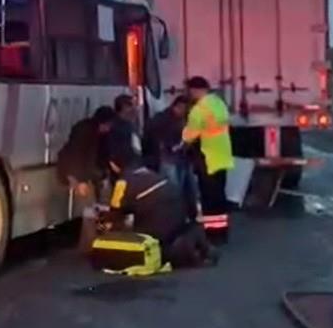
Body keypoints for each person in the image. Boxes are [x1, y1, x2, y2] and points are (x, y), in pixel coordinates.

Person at [105, 144, 216, 268]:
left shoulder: (123, 181)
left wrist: (105, 222)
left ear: (113, 165)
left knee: (144, 237)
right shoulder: (149, 172)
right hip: (178, 216)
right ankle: (197, 244)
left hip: (155, 229)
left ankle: (176, 251)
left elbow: (115, 212)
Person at [181, 76, 235, 245]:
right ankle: (222, 232)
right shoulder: (219, 103)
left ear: (196, 90)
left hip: (207, 158)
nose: (189, 94)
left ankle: (212, 234)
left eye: (190, 90)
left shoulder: (199, 110)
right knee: (219, 197)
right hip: (222, 156)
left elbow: (189, 136)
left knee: (209, 199)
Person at [56, 106, 116, 252]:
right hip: (78, 174)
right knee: (89, 210)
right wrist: (79, 181)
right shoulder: (85, 132)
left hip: (90, 174)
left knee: (95, 208)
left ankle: (96, 241)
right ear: (104, 123)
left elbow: (100, 156)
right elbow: (76, 156)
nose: (109, 129)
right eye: (109, 125)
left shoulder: (98, 133)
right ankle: (89, 245)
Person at [143, 96, 199, 220]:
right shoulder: (162, 119)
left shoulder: (178, 118)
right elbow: (152, 137)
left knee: (185, 190)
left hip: (181, 159)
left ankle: (186, 216)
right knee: (174, 190)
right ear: (178, 106)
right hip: (170, 159)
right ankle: (175, 217)